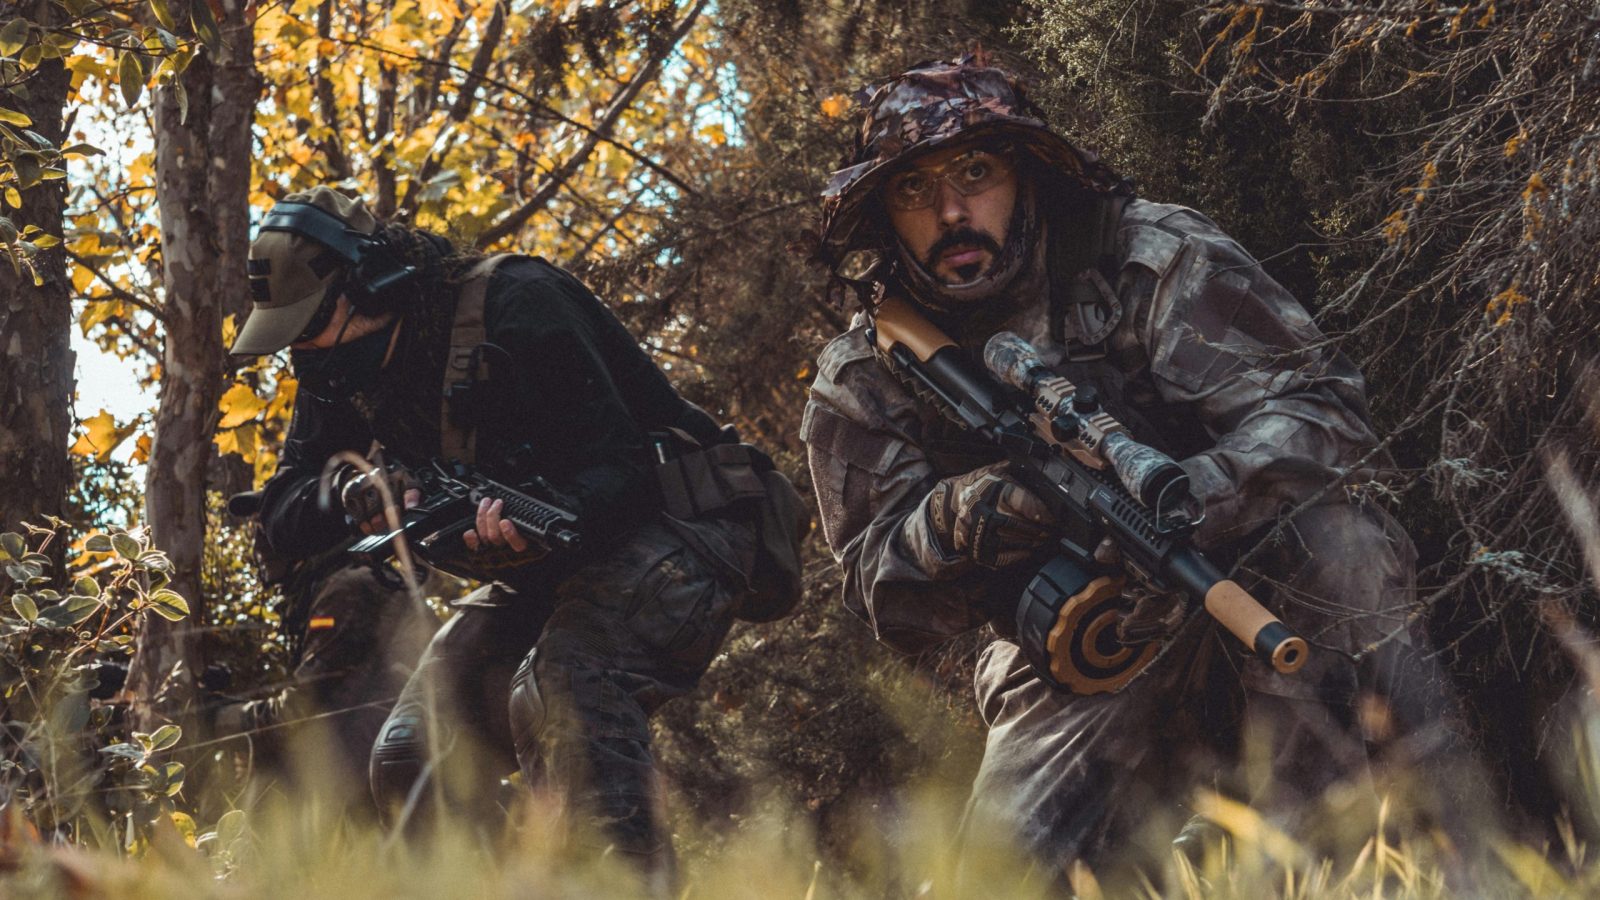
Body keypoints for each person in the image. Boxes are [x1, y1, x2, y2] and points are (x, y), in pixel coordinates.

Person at [800, 54, 1464, 877]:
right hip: (1076, 644)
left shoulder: (1149, 256)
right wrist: (972, 515)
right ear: (884, 217)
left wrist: (1194, 499)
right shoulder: (866, 375)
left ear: (1027, 174)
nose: (949, 210)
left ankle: (1434, 854)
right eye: (912, 190)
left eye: (976, 171)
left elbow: (1321, 415)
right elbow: (878, 583)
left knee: (1348, 549)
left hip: (1251, 587)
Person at [230, 187, 803, 884]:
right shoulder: (340, 374)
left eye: (311, 325)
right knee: (411, 754)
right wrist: (358, 496)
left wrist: (533, 521)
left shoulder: (518, 303)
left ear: (370, 281)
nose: (304, 354)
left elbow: (623, 470)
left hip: (677, 526)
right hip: (545, 568)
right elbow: (283, 513)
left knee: (565, 684)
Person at [208, 490, 437, 815]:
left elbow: (301, 709)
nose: (262, 541)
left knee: (278, 771)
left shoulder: (350, 587)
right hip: (392, 762)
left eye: (272, 527)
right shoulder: (350, 580)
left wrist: (221, 719)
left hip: (393, 775)